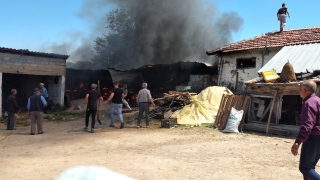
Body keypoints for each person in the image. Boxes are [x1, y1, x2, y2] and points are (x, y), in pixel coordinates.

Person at [291, 80, 320, 179]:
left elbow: (307, 125)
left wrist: (297, 143)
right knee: (310, 167)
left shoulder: (309, 103)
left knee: (305, 168)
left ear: (304, 90)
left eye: (299, 89)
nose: (298, 91)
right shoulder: (318, 100)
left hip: (313, 139)